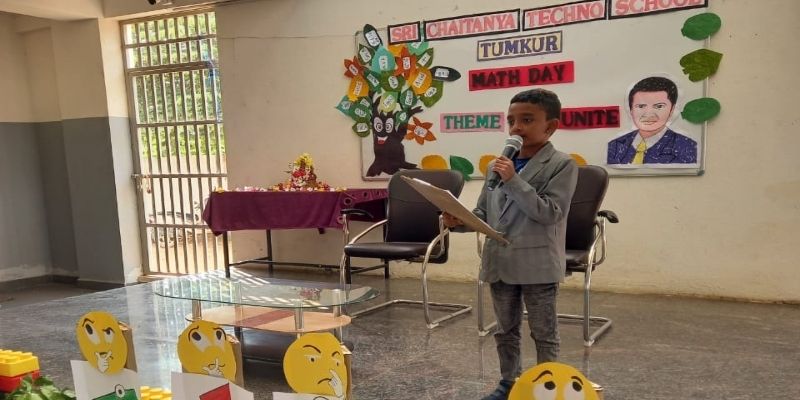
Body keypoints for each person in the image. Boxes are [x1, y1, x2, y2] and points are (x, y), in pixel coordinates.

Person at [443, 88, 578, 400]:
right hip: (499, 262)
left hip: (537, 265)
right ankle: (509, 382)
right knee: (505, 330)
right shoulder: (498, 165)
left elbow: (550, 213)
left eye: (527, 120)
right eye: (511, 120)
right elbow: (483, 213)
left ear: (551, 126)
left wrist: (513, 180)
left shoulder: (562, 164)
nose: (516, 127)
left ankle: (548, 387)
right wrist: (459, 221)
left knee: (543, 332)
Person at [607, 76, 697, 165]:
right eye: (641, 106)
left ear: (672, 110)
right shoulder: (615, 145)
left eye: (659, 106)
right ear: (631, 110)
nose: (649, 114)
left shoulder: (687, 147)